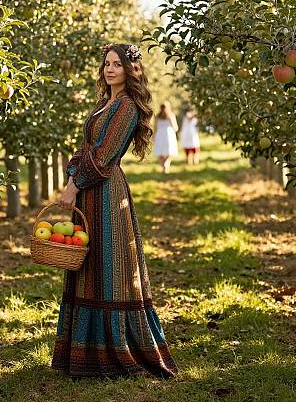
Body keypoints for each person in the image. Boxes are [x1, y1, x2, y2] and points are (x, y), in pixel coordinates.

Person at [53, 43, 177, 379]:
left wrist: (74, 185)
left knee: (110, 269)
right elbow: (87, 148)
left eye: (117, 65)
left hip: (106, 195)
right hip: (88, 193)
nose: (110, 69)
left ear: (129, 70)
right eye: (106, 64)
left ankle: (114, 351)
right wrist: (73, 173)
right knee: (89, 266)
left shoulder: (126, 107)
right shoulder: (104, 103)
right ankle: (84, 351)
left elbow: (105, 155)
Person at [152, 101, 178, 173]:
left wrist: (154, 136)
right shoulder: (171, 115)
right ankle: (166, 163)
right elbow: (175, 127)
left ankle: (163, 165)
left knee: (160, 151)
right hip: (168, 134)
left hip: (159, 134)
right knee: (169, 151)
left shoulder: (157, 116)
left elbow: (155, 127)